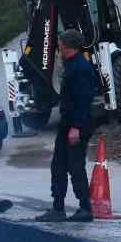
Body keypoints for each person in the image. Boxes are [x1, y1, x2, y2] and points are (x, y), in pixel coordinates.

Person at [35, 29, 95, 224]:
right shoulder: (70, 65)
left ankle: (85, 208)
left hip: (76, 127)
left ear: (67, 46)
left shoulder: (81, 68)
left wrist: (76, 127)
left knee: (76, 167)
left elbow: (83, 100)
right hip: (66, 125)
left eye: (60, 43)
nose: (57, 46)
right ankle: (57, 209)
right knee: (58, 167)